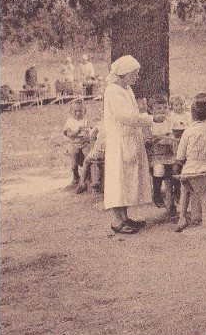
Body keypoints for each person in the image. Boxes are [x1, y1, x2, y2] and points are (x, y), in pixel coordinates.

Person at [103, 55, 153, 234]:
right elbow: (127, 117)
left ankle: (124, 217)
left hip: (130, 139)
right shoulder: (113, 91)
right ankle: (116, 221)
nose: (137, 77)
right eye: (134, 73)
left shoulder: (126, 89)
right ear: (124, 74)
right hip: (120, 141)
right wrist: (150, 119)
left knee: (126, 181)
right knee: (118, 180)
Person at [173, 99, 206, 231]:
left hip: (193, 169)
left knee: (184, 187)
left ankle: (182, 217)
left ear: (192, 115)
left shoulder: (189, 130)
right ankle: (202, 214)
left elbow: (180, 156)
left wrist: (178, 164)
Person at [62, 99, 91, 189]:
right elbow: (67, 133)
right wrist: (75, 132)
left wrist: (88, 131)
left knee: (88, 157)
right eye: (75, 111)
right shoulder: (70, 121)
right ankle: (75, 177)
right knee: (74, 162)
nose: (78, 113)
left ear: (84, 111)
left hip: (84, 142)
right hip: (73, 143)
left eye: (80, 111)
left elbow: (91, 131)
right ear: (71, 112)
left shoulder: (85, 121)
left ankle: (87, 176)